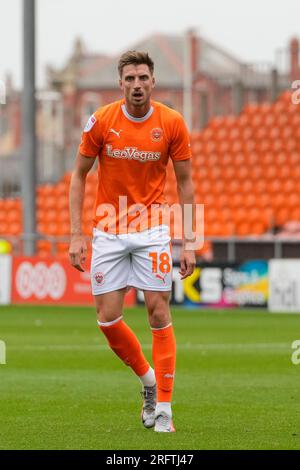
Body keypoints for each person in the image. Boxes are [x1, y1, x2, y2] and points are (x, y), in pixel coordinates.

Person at [69, 51, 195, 433]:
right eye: (130, 79)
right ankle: (149, 383)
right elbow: (79, 176)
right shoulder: (102, 121)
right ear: (120, 83)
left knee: (158, 311)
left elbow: (186, 183)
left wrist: (190, 241)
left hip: (154, 227)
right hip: (108, 229)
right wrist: (76, 233)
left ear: (153, 81)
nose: (137, 85)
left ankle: (166, 412)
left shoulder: (172, 123)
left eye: (143, 77)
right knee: (108, 320)